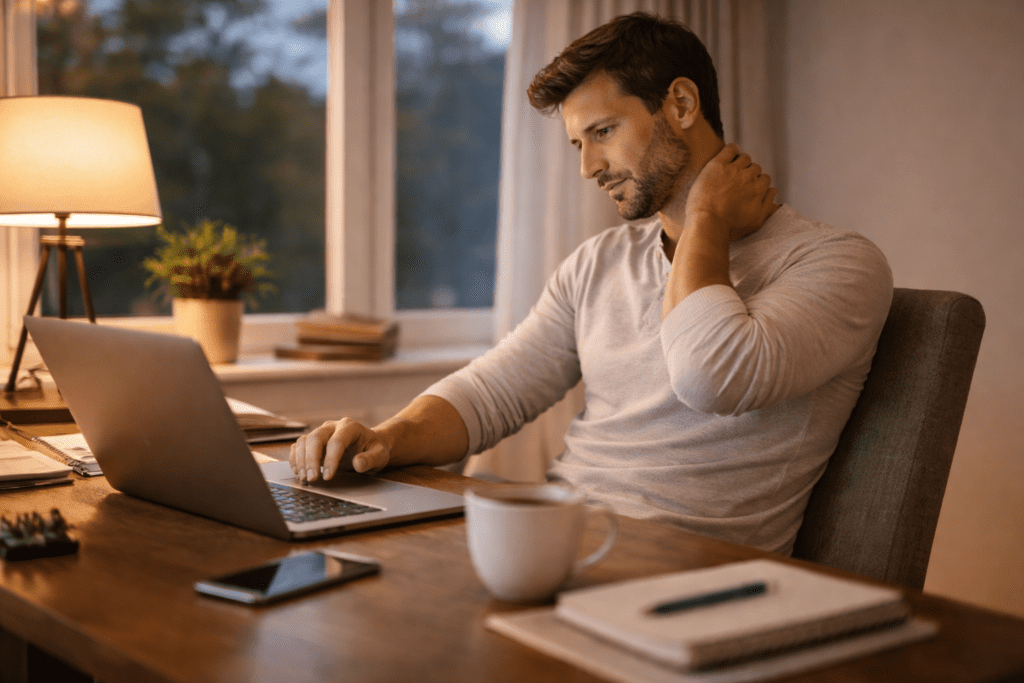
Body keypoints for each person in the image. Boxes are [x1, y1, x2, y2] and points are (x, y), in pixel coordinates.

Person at [291, 12, 892, 554]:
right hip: (560, 538)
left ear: (682, 105)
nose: (587, 168)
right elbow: (493, 391)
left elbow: (710, 377)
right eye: (579, 144)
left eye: (602, 132)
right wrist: (388, 439)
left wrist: (705, 217)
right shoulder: (599, 262)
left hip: (689, 571)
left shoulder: (838, 264)